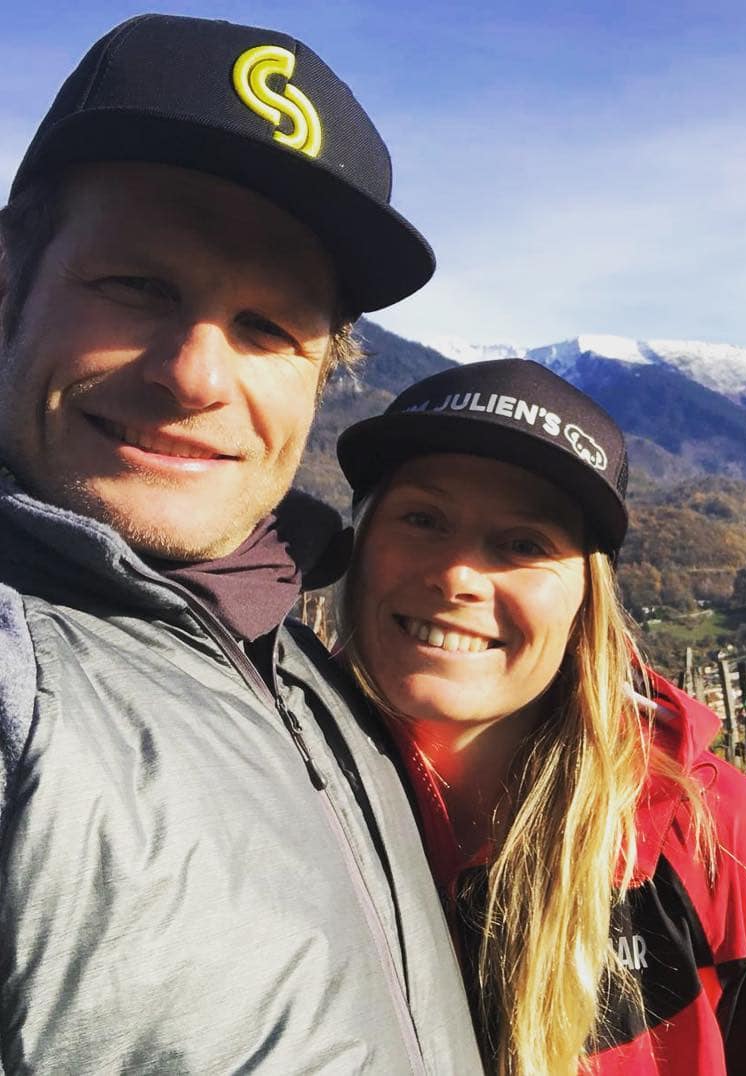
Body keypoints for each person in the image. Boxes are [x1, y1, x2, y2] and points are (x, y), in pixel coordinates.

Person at [0, 14, 482, 1073]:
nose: (196, 375)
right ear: (7, 284)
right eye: (139, 286)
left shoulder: (290, 659)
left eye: (269, 327)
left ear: (323, 371)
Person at [336, 358, 746, 1075]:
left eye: (524, 544)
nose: (457, 578)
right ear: (360, 545)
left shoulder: (716, 841)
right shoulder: (274, 798)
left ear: (586, 599)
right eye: (422, 519)